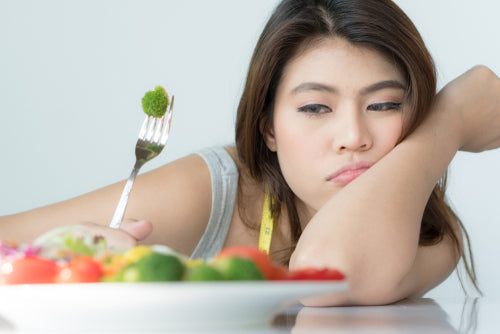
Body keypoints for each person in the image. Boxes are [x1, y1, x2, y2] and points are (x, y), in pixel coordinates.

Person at [1, 0, 499, 306]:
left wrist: (447, 119)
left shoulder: (427, 232)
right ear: (267, 129)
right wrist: (62, 258)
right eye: (315, 107)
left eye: (386, 104)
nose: (353, 135)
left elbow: (327, 276)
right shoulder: (216, 190)